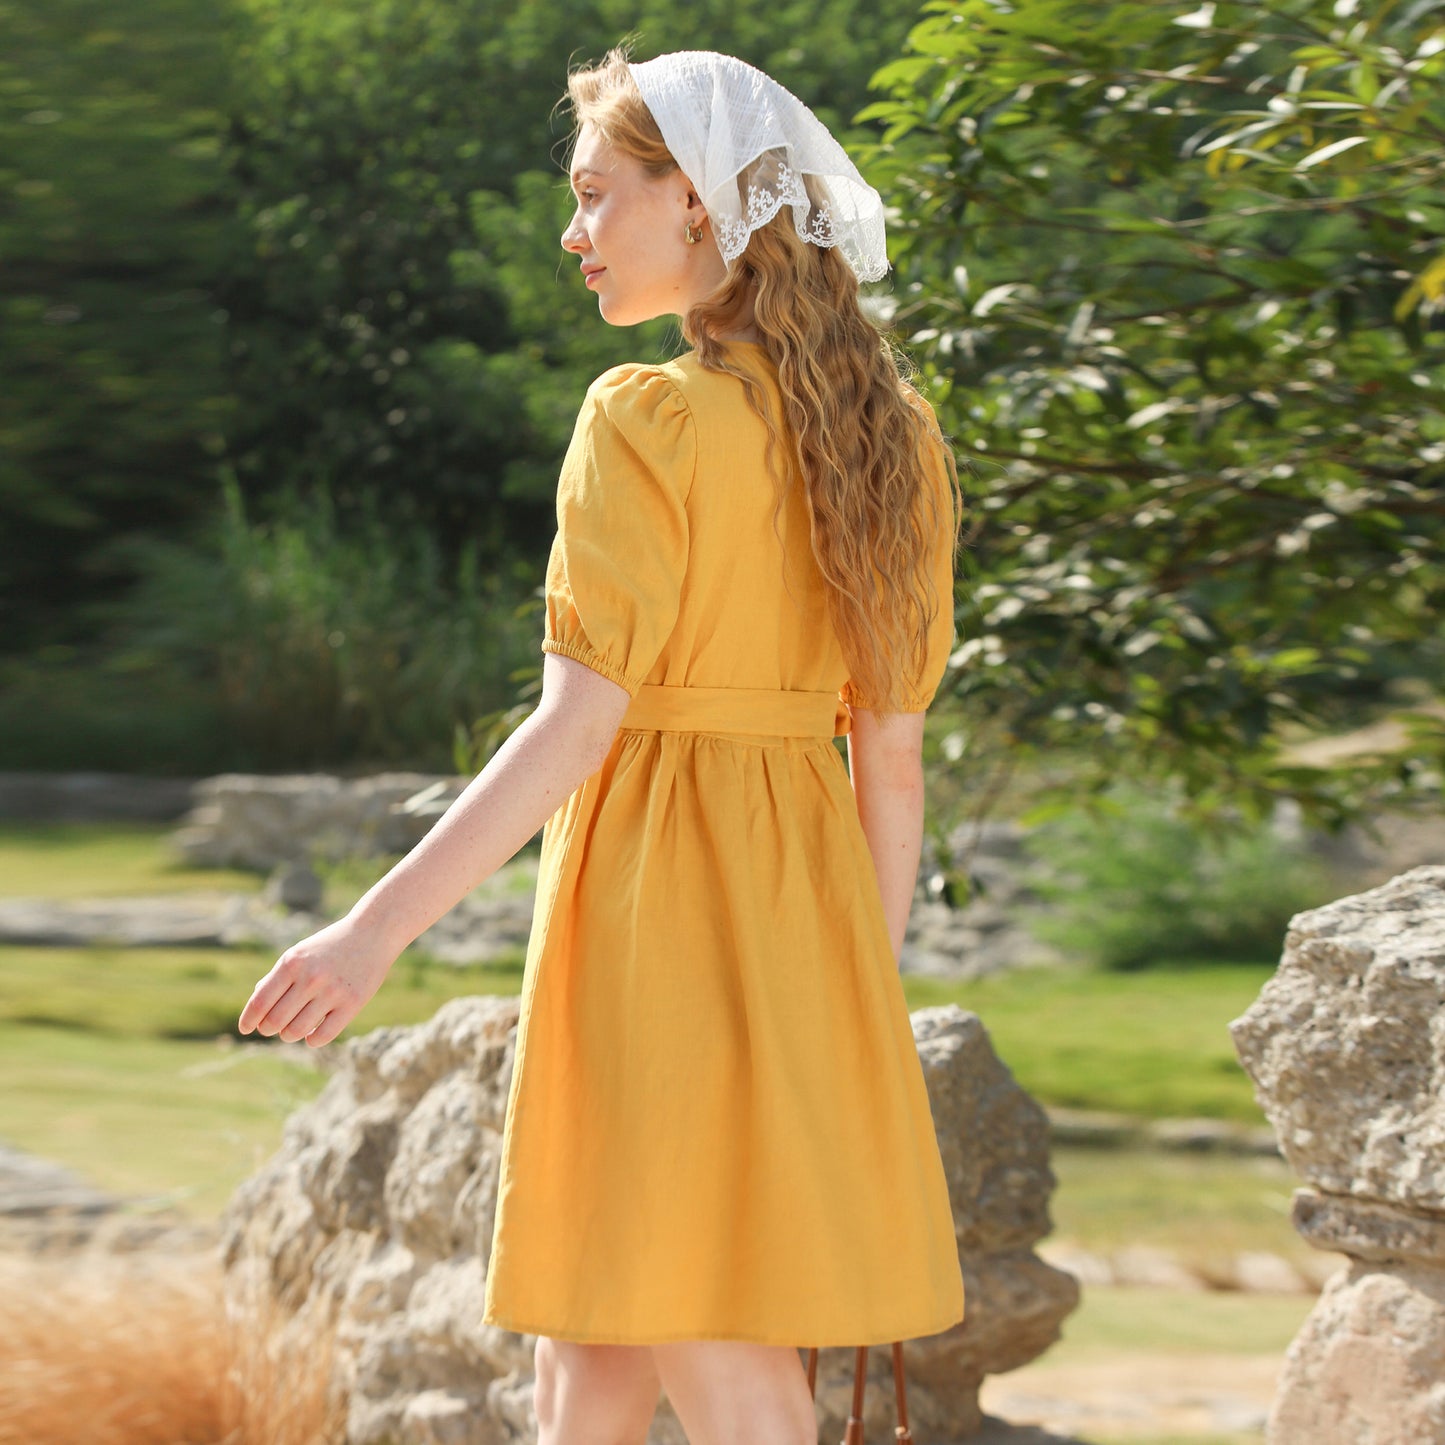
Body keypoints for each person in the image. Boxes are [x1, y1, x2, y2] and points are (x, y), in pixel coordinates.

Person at [239, 46, 965, 1445]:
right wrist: (859, 1003)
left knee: (713, 1338)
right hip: (809, 921)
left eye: (592, 197)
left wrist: (367, 936)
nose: (573, 235)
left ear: (693, 202)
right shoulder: (894, 440)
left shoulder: (645, 416)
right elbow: (893, 761)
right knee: (595, 1340)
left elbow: (580, 722)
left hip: (657, 911)